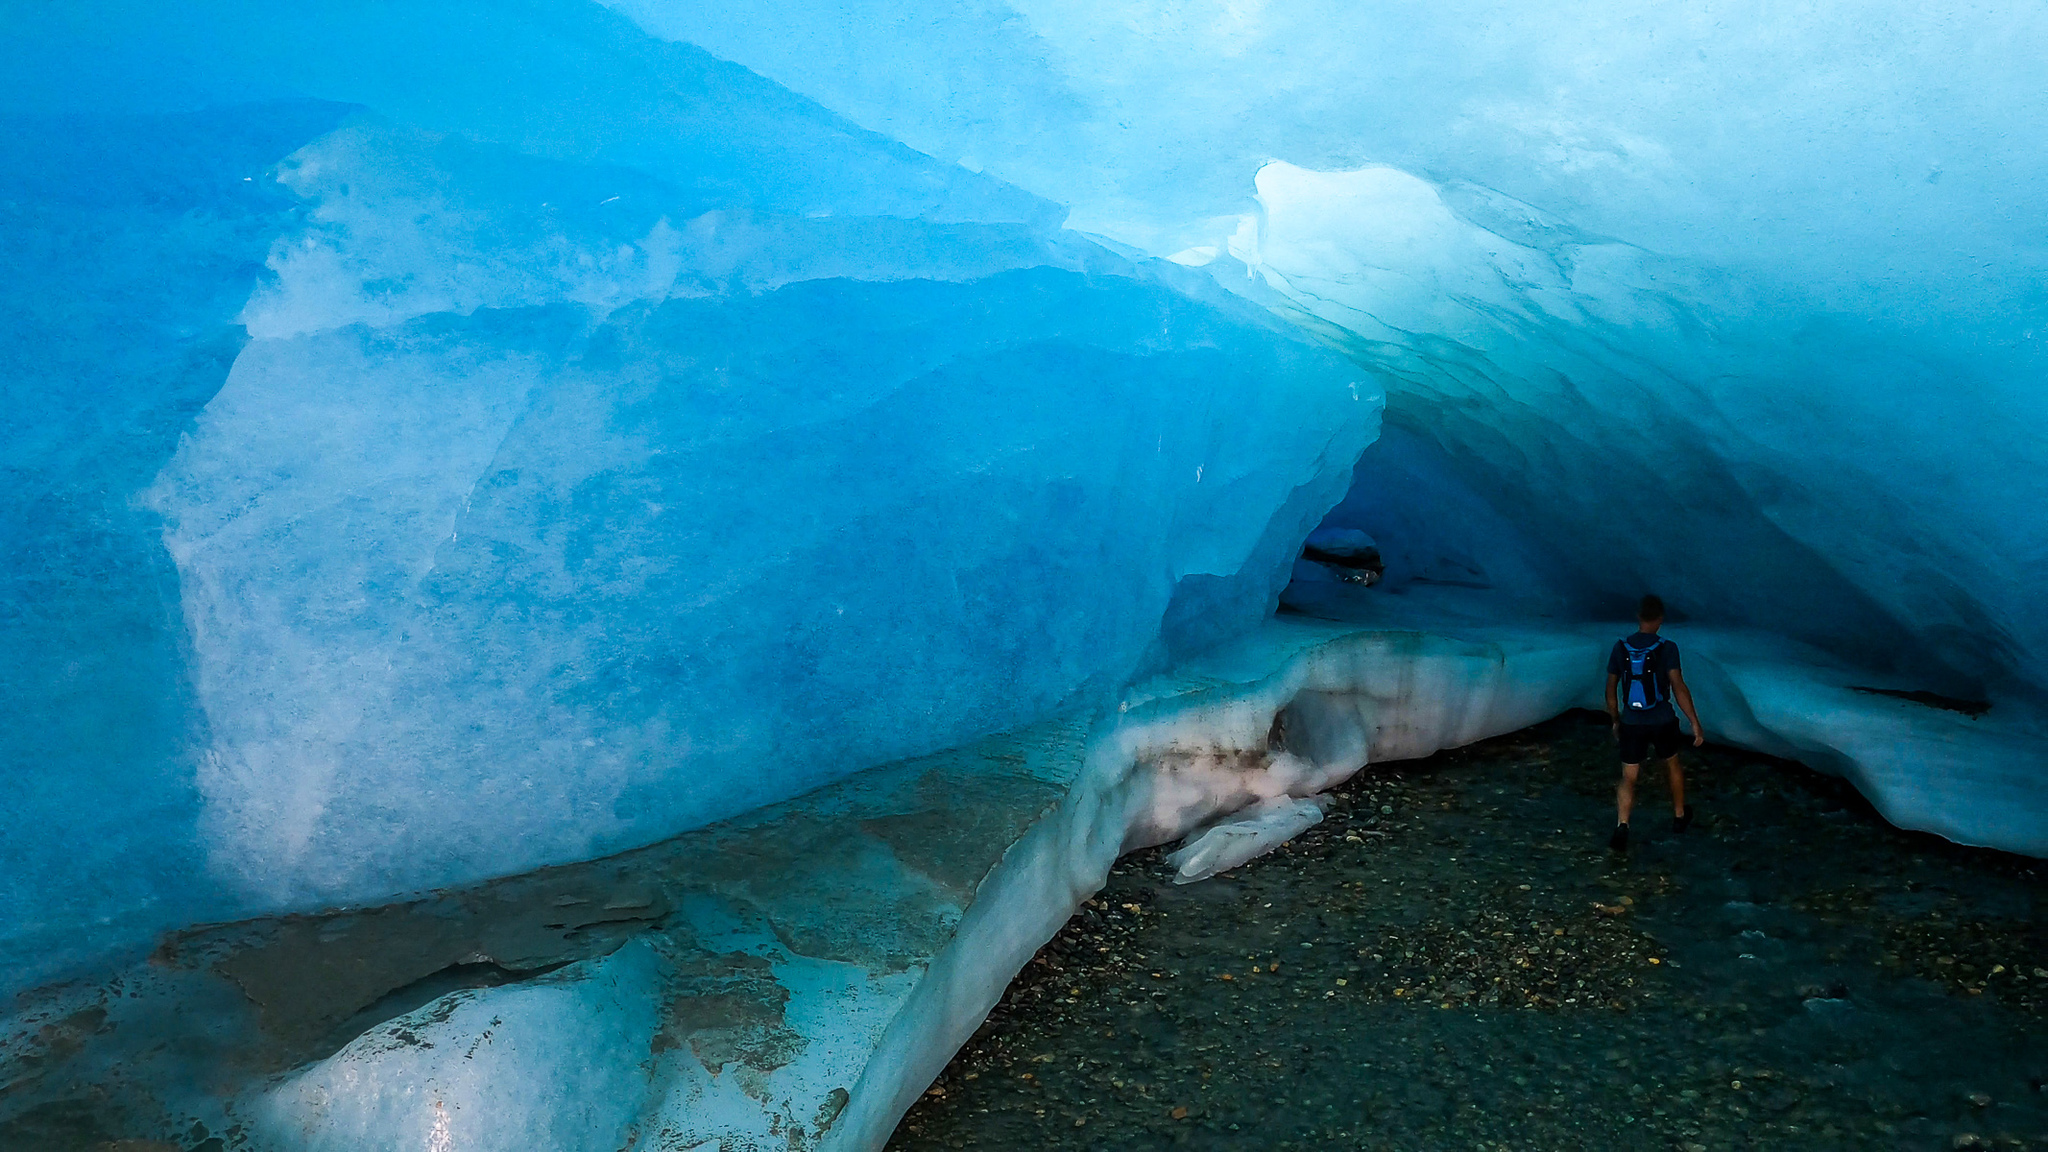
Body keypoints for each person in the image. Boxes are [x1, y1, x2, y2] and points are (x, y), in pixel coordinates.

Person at [1603, 594, 1704, 851]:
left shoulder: (1621, 647)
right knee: (1672, 765)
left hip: (1632, 721)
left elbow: (1611, 688)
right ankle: (1680, 816)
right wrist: (1694, 722)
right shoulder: (1667, 648)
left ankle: (1622, 825)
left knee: (1629, 776)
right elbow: (1678, 686)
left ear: (1639, 616)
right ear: (1660, 618)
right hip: (1662, 720)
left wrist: (1616, 719)